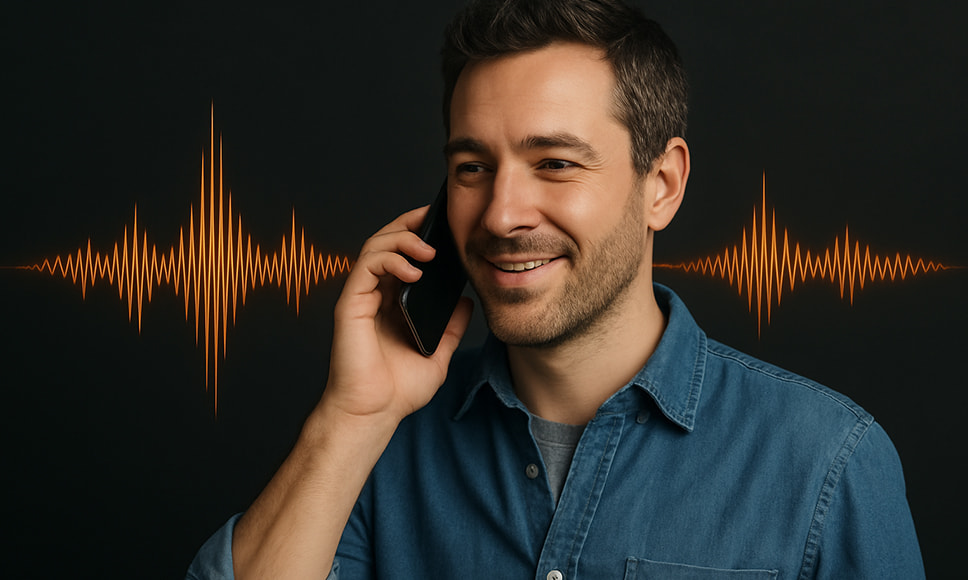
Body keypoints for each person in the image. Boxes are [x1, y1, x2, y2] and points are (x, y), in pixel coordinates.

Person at [188, 0, 924, 578]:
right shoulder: (380, 450)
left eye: (556, 164)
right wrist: (351, 419)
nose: (502, 215)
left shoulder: (828, 461)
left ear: (660, 186)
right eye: (473, 167)